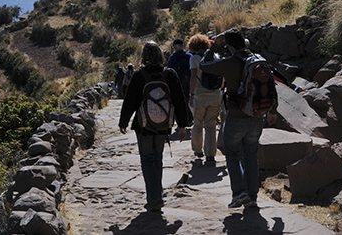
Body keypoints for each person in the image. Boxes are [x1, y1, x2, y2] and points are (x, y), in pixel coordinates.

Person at [200, 28, 278, 209]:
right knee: (251, 155)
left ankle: (239, 193)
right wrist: (273, 110)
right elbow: (271, 86)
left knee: (232, 154)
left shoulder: (229, 63)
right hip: (257, 116)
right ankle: (252, 196)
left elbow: (204, 65)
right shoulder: (258, 60)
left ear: (230, 46)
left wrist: (214, 45)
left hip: (236, 117)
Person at [119, 42, 191, 213]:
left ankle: (154, 198)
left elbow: (130, 102)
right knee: (157, 159)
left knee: (147, 160)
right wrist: (182, 125)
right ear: (160, 55)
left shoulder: (139, 76)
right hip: (163, 125)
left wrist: (123, 122)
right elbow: (179, 102)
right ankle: (157, 195)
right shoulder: (169, 74)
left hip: (143, 126)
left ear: (144, 56)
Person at [187, 34, 223, 164]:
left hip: (199, 96)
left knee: (197, 124)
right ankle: (210, 155)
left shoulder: (194, 59)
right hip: (215, 95)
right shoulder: (216, 57)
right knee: (211, 125)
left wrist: (191, 95)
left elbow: (193, 77)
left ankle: (198, 150)